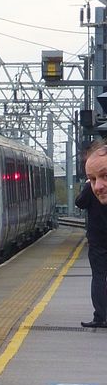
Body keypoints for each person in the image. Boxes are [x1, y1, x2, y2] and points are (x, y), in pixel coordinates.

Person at [76, 140, 107, 327]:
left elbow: (79, 202)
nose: (98, 186)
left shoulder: (90, 189)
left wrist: (87, 185)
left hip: (98, 239)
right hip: (98, 239)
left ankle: (100, 316)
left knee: (98, 277)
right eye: (94, 179)